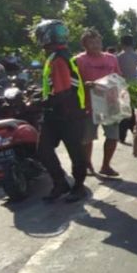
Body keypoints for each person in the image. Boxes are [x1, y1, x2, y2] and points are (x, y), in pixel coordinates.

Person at [33, 19, 88, 202]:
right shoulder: (57, 57)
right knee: (43, 151)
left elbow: (63, 92)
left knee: (75, 154)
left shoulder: (59, 60)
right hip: (56, 114)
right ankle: (60, 183)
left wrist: (40, 103)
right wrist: (40, 96)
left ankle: (78, 188)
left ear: (45, 37)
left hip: (67, 114)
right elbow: (55, 87)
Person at [75, 28, 123, 178]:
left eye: (98, 41)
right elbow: (74, 83)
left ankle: (106, 165)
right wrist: (85, 84)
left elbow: (118, 77)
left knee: (113, 137)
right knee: (87, 138)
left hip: (110, 104)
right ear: (85, 45)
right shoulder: (79, 60)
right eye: (91, 42)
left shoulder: (111, 58)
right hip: (89, 105)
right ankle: (88, 165)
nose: (96, 44)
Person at [116, 35, 137, 143]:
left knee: (124, 112)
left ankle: (122, 135)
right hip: (136, 86)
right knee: (135, 111)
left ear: (122, 44)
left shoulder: (119, 57)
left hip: (123, 86)